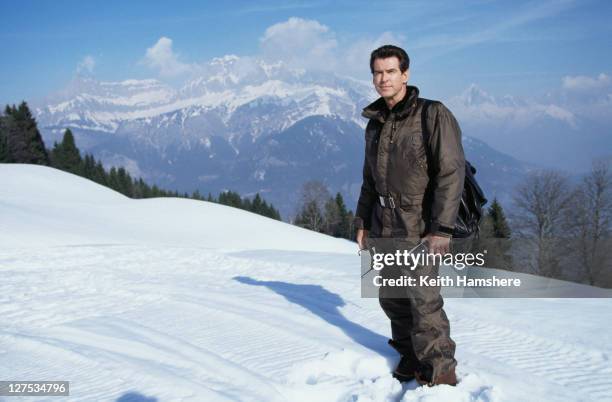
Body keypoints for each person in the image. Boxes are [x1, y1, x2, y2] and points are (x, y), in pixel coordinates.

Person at [354, 45, 465, 386]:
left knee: (424, 301)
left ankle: (440, 372)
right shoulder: (374, 123)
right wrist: (361, 222)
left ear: (405, 74)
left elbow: (451, 171)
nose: (382, 78)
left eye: (390, 71)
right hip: (382, 224)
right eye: (377, 72)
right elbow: (369, 179)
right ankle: (409, 356)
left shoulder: (431, 114)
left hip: (419, 226)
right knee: (392, 297)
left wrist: (442, 229)